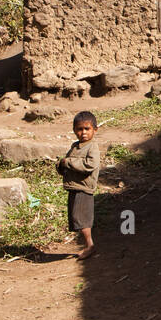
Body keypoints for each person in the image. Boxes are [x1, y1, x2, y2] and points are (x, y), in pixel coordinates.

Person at [56, 111, 101, 259]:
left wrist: (67, 162)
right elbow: (67, 163)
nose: (83, 133)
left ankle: (89, 246)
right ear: (74, 130)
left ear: (95, 129)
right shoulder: (75, 146)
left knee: (82, 219)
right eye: (79, 129)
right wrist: (61, 165)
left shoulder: (92, 147)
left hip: (84, 188)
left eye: (87, 129)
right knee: (77, 217)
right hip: (75, 187)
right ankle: (88, 245)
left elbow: (89, 165)